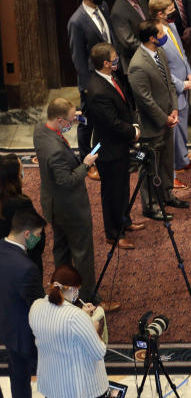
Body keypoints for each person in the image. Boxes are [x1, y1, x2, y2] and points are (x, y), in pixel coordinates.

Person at [33, 98, 111, 307]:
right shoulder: (56, 151)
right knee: (82, 254)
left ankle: (63, 291)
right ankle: (87, 299)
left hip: (52, 204)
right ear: (59, 119)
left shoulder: (40, 130)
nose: (72, 122)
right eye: (69, 119)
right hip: (70, 208)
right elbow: (67, 181)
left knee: (61, 249)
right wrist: (85, 165)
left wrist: (72, 115)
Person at [28, 264, 108, 398]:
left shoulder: (36, 306)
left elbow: (58, 331)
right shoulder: (76, 317)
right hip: (81, 392)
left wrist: (83, 317)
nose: (77, 294)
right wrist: (93, 327)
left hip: (53, 387)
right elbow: (99, 352)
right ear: (71, 289)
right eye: (77, 289)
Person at [127, 19, 189, 218]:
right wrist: (165, 118)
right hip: (152, 124)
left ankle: (166, 194)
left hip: (167, 118)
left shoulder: (160, 53)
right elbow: (145, 100)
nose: (166, 36)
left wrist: (175, 110)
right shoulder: (137, 64)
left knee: (165, 162)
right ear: (152, 38)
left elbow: (170, 84)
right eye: (162, 33)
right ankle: (151, 205)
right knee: (150, 168)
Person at [84, 43, 143, 249]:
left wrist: (134, 123)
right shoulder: (97, 90)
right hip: (109, 149)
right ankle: (113, 233)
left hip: (119, 146)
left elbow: (125, 106)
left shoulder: (110, 77)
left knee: (122, 188)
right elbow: (112, 123)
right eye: (115, 57)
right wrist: (133, 132)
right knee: (111, 193)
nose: (118, 59)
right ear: (106, 63)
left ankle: (124, 221)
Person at [0, 206, 50, 398]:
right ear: (27, 234)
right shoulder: (27, 268)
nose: (39, 239)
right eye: (38, 235)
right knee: (52, 374)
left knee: (17, 376)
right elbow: (39, 308)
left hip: (7, 325)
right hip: (26, 332)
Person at [67, 0, 115, 166]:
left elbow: (109, 38)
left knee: (109, 118)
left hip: (109, 74)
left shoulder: (102, 8)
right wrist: (87, 86)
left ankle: (108, 153)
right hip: (91, 82)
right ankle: (87, 161)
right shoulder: (76, 21)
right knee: (88, 124)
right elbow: (78, 58)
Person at [148, 0, 191, 178]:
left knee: (183, 126)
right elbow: (162, 67)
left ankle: (182, 159)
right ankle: (172, 170)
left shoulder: (172, 26)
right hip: (172, 89)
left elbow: (182, 53)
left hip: (185, 84)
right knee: (173, 131)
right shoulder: (156, 36)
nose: (174, 13)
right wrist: (180, 83)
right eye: (170, 10)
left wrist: (190, 72)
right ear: (160, 14)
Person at [0, 154, 45, 274]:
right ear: (15, 177)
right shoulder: (21, 203)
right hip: (22, 264)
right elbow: (34, 239)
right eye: (21, 172)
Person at [109, 0, 149, 70]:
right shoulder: (118, 11)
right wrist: (150, 49)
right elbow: (129, 41)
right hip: (134, 61)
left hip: (149, 55)